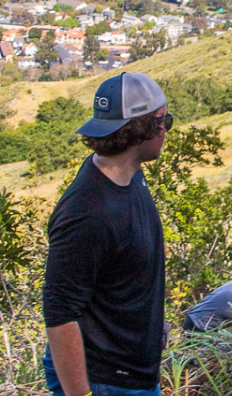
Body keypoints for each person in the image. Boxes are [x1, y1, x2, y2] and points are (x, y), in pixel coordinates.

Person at [41, 72, 174, 396]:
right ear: (145, 128)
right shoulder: (89, 212)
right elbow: (59, 311)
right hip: (104, 382)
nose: (168, 129)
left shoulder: (128, 178)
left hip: (132, 375)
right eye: (165, 120)